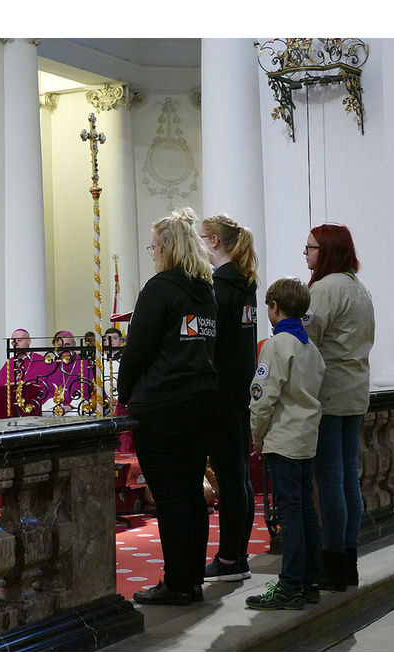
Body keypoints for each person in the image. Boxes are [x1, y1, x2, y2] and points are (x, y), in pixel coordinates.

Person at [117, 208, 219, 606]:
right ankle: (191, 578)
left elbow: (136, 350)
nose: (153, 253)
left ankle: (178, 583)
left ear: (167, 249)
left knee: (171, 497)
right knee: (191, 492)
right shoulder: (205, 291)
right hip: (200, 402)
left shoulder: (160, 289)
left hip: (162, 405)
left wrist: (124, 395)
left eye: (154, 246)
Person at [302, 222, 375, 591]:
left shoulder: (326, 289)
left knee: (330, 479)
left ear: (327, 251)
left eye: (312, 248)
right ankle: (348, 559)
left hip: (329, 394)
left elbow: (306, 341)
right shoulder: (357, 287)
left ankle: (332, 561)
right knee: (348, 477)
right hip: (354, 391)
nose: (307, 254)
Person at [245, 278, 325, 610]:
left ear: (275, 307)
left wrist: (258, 437)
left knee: (290, 514)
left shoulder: (277, 346)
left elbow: (262, 399)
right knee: (306, 511)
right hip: (306, 439)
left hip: (283, 440)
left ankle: (290, 585)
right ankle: (309, 581)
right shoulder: (311, 348)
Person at [199, 213, 259, 583]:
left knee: (230, 478)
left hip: (221, 391)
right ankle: (238, 555)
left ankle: (230, 559)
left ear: (214, 242)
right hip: (241, 389)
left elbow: (211, 342)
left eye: (202, 238)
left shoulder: (219, 287)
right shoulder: (245, 282)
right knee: (239, 478)